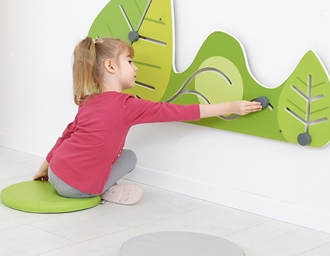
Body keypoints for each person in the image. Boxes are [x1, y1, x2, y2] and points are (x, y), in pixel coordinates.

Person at [34, 36, 262, 205]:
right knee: (130, 158)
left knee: (118, 154)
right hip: (77, 189)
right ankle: (103, 190)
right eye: (130, 61)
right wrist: (231, 107)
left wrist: (44, 168)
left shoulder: (89, 101)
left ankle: (101, 186)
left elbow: (66, 136)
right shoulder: (127, 105)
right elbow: (177, 111)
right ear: (110, 66)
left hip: (56, 173)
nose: (136, 68)